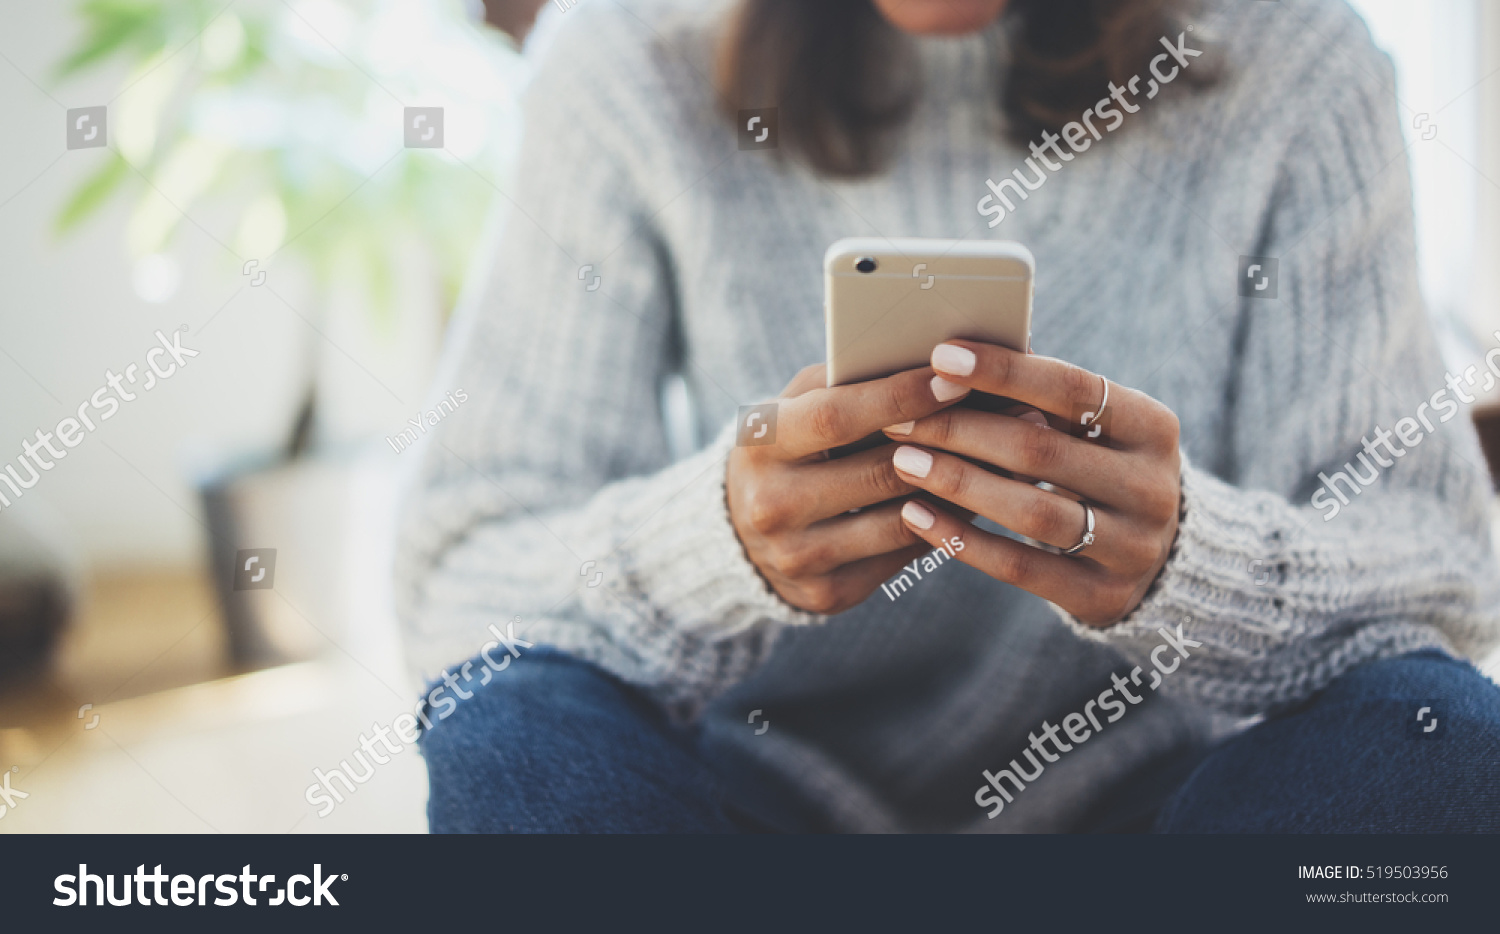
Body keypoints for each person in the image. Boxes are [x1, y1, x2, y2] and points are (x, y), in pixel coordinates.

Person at [396, 0, 1500, 832]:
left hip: (1159, 807)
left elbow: (1437, 573)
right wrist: (715, 543)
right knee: (513, 730)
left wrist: (1192, 563)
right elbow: (462, 579)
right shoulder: (625, 55)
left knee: (1431, 734)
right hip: (747, 802)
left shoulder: (1296, 58)